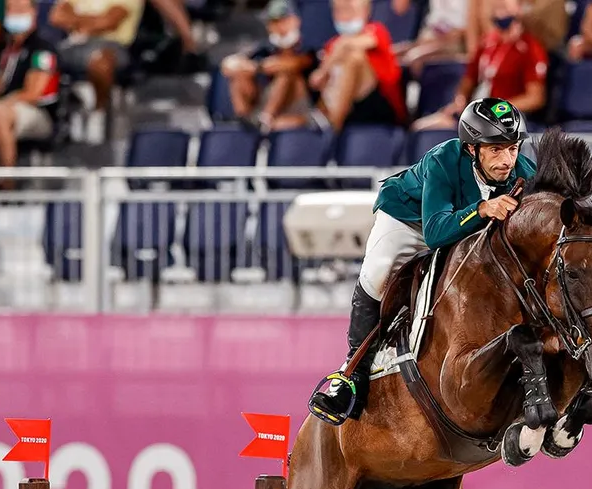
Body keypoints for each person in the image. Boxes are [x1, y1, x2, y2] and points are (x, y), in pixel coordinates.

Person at [306, 96, 535, 426]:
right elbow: (437, 234)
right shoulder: (443, 160)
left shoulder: (524, 174)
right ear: (472, 148)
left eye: (512, 149)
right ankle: (351, 375)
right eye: (495, 150)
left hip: (463, 228)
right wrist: (483, 209)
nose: (507, 160)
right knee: (379, 272)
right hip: (411, 221)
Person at [412, 0, 546, 132]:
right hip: (476, 112)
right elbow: (469, 79)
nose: (500, 12)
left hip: (503, 118)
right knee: (421, 127)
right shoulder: (488, 43)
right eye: (496, 8)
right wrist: (461, 100)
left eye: (504, 8)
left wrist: (496, 109)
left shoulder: (529, 48)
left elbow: (535, 98)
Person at [0, 0, 60, 168]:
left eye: (20, 9)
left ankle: (7, 180)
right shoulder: (3, 50)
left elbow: (34, 94)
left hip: (38, 113)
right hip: (0, 107)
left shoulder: (43, 49)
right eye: (10, 9)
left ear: (33, 12)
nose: (14, 13)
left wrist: (2, 104)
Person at [306, 0, 405, 133]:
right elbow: (317, 82)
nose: (344, 16)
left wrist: (323, 70)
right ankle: (324, 120)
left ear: (366, 10)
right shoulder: (332, 44)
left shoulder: (376, 30)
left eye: (349, 9)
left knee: (354, 57)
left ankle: (332, 127)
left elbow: (349, 44)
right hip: (346, 106)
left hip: (380, 102)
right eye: (338, 10)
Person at [217, 0, 317, 131]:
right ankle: (243, 121)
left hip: (300, 109)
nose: (279, 28)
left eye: (283, 21)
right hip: (264, 102)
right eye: (274, 22)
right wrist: (250, 67)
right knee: (239, 77)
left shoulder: (307, 48)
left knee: (285, 73)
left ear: (295, 21)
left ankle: (265, 120)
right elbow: (229, 65)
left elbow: (294, 64)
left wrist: (259, 67)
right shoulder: (264, 51)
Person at [48, 0, 145, 126]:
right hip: (73, 44)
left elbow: (108, 22)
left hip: (112, 45)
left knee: (101, 61)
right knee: (44, 57)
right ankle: (49, 112)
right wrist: (92, 21)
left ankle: (99, 110)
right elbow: (56, 17)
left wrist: (75, 20)